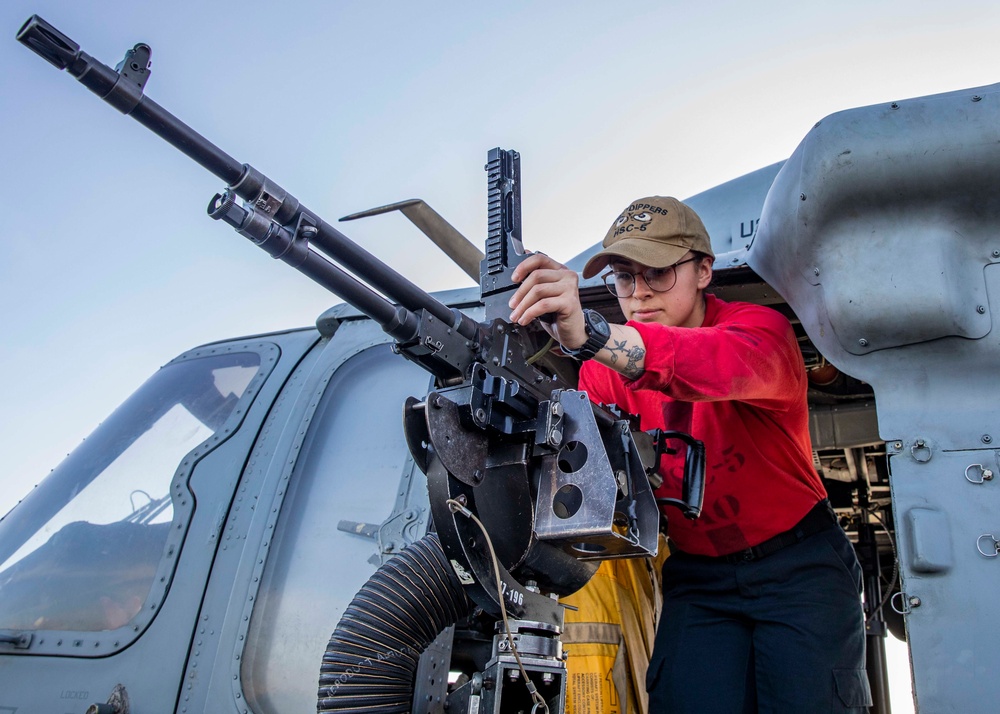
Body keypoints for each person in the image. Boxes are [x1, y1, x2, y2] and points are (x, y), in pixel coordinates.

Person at [508, 196, 871, 713]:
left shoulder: (760, 333)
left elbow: (704, 364)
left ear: (704, 270)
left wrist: (591, 333)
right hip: (700, 577)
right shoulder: (600, 374)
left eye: (656, 273)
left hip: (800, 566)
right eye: (624, 278)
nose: (638, 294)